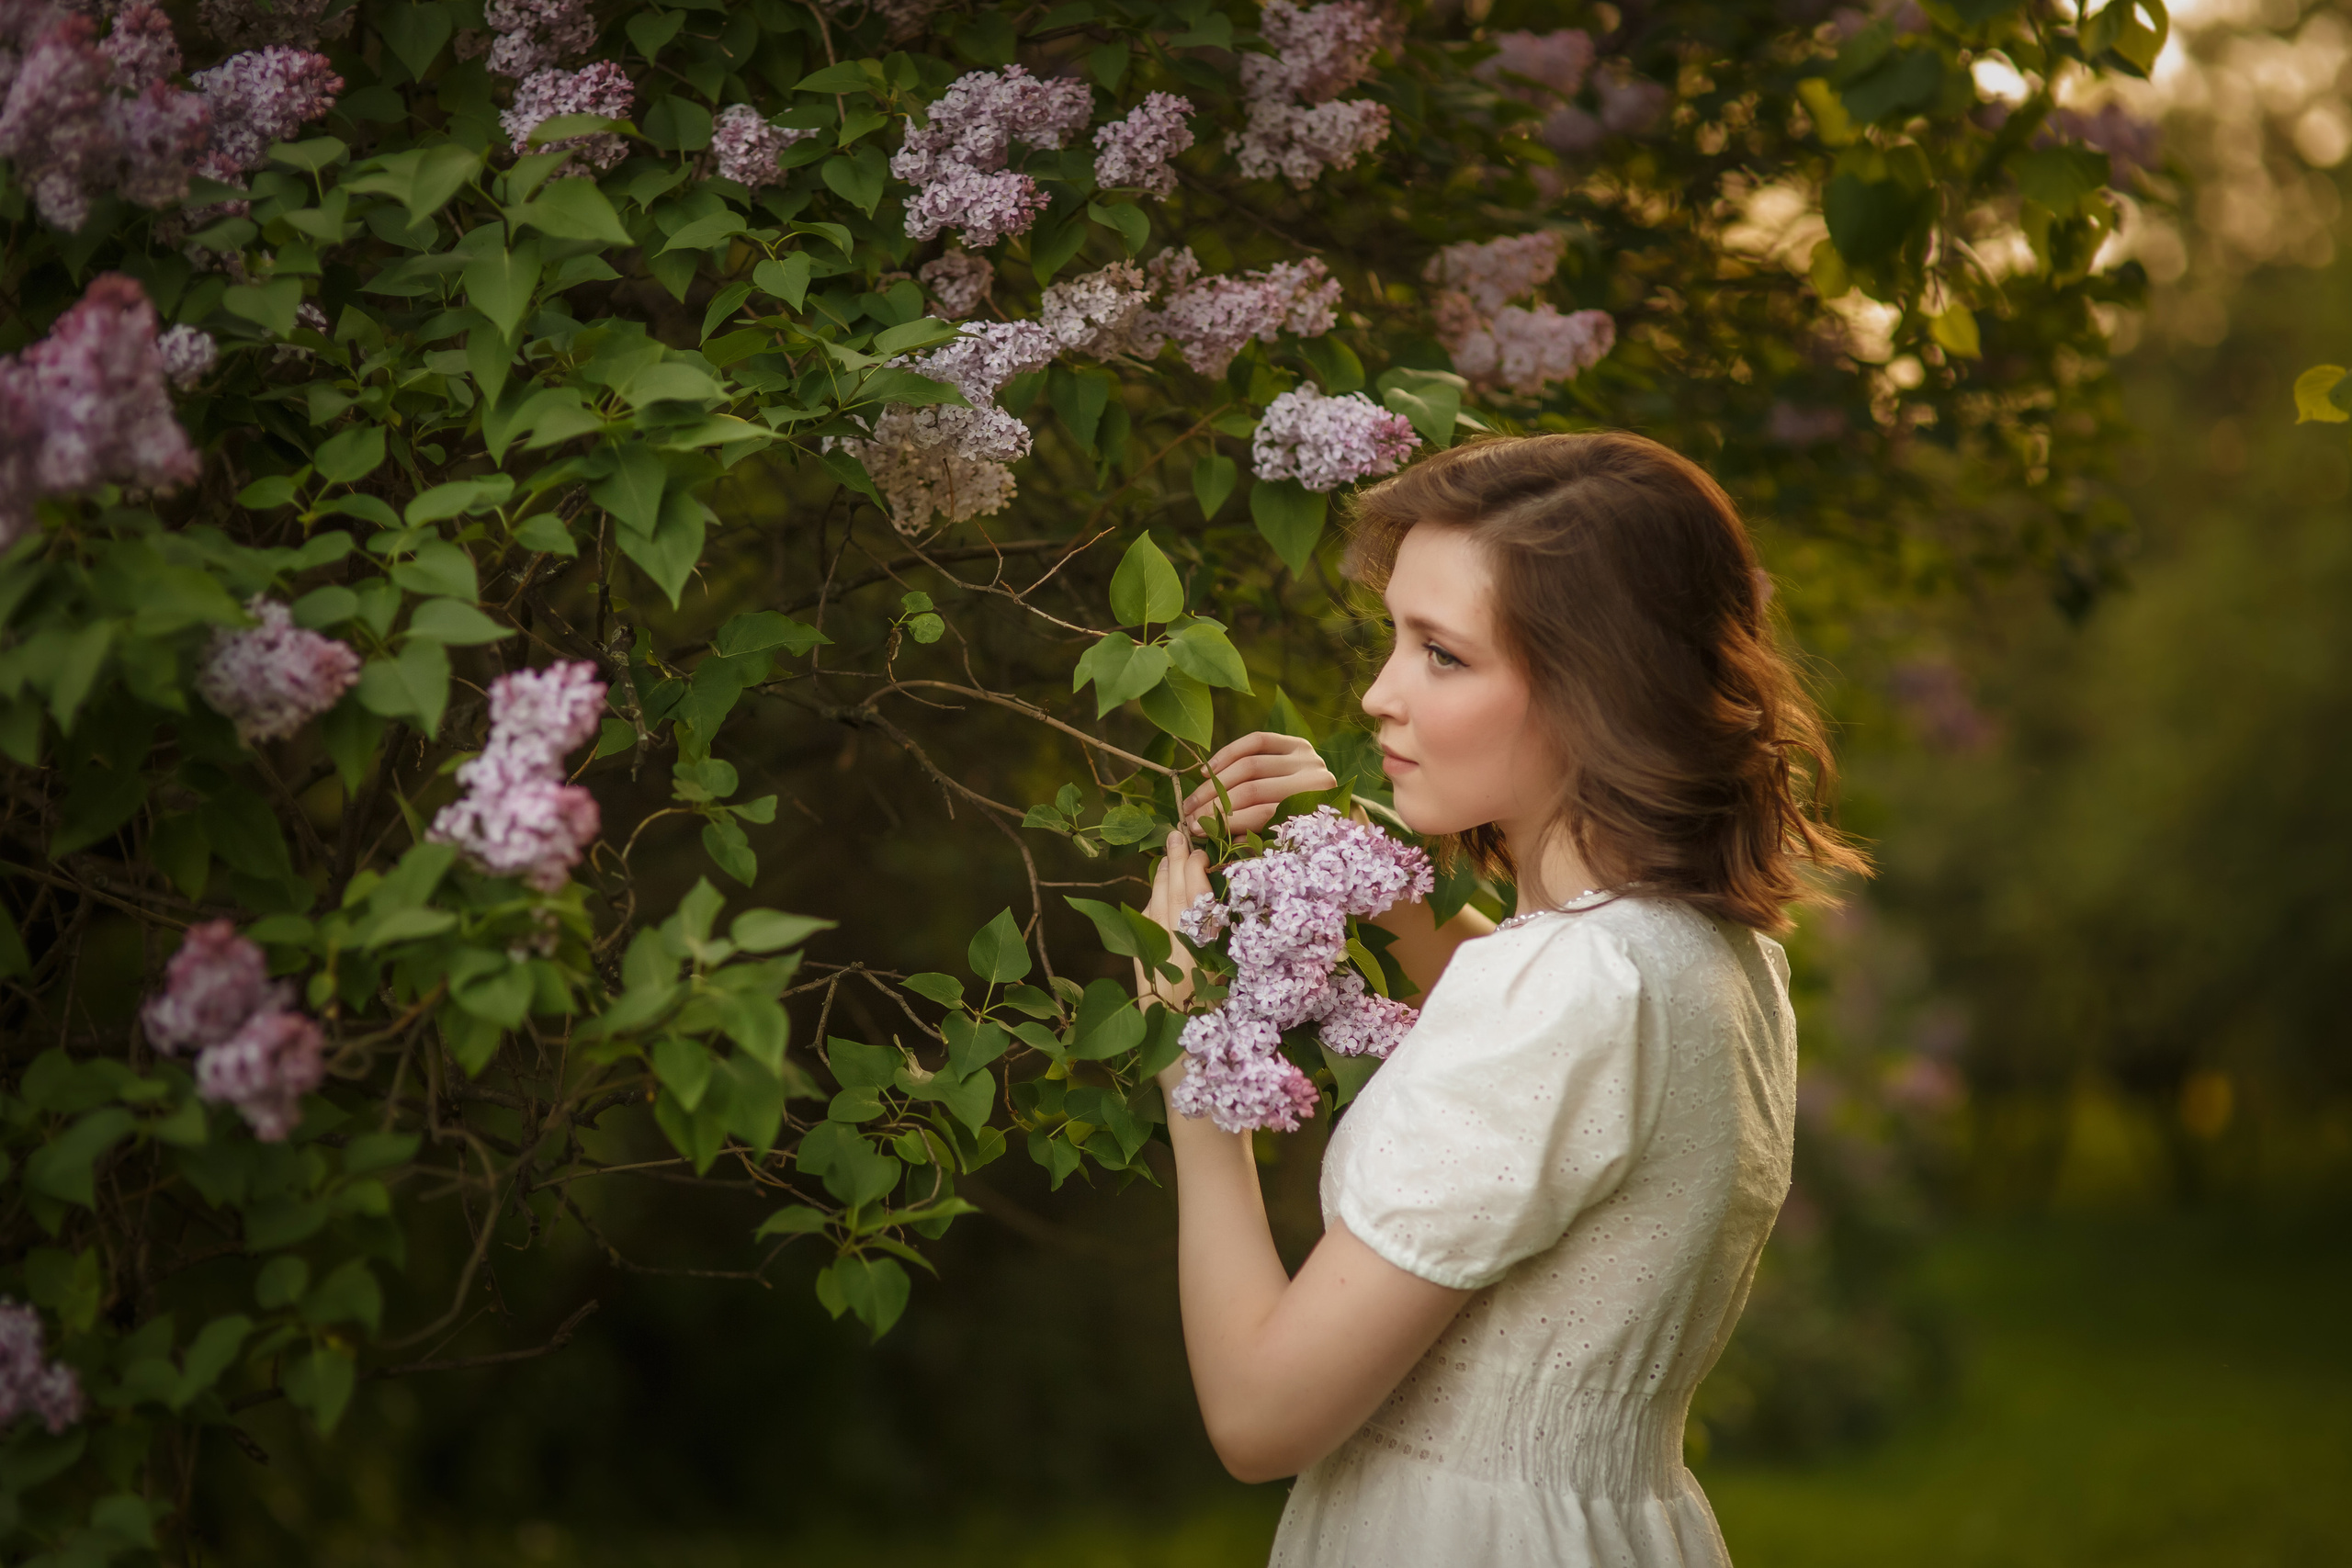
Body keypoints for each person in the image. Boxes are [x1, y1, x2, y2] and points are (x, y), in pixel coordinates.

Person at [1136, 431, 1871, 1566]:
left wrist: (1196, 1059)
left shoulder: (1572, 988)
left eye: (1441, 654)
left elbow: (1258, 1416)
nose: (1379, 694)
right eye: (1394, 641)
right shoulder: (1703, 956)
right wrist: (1372, 868)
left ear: (1594, 689)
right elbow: (1547, 1048)